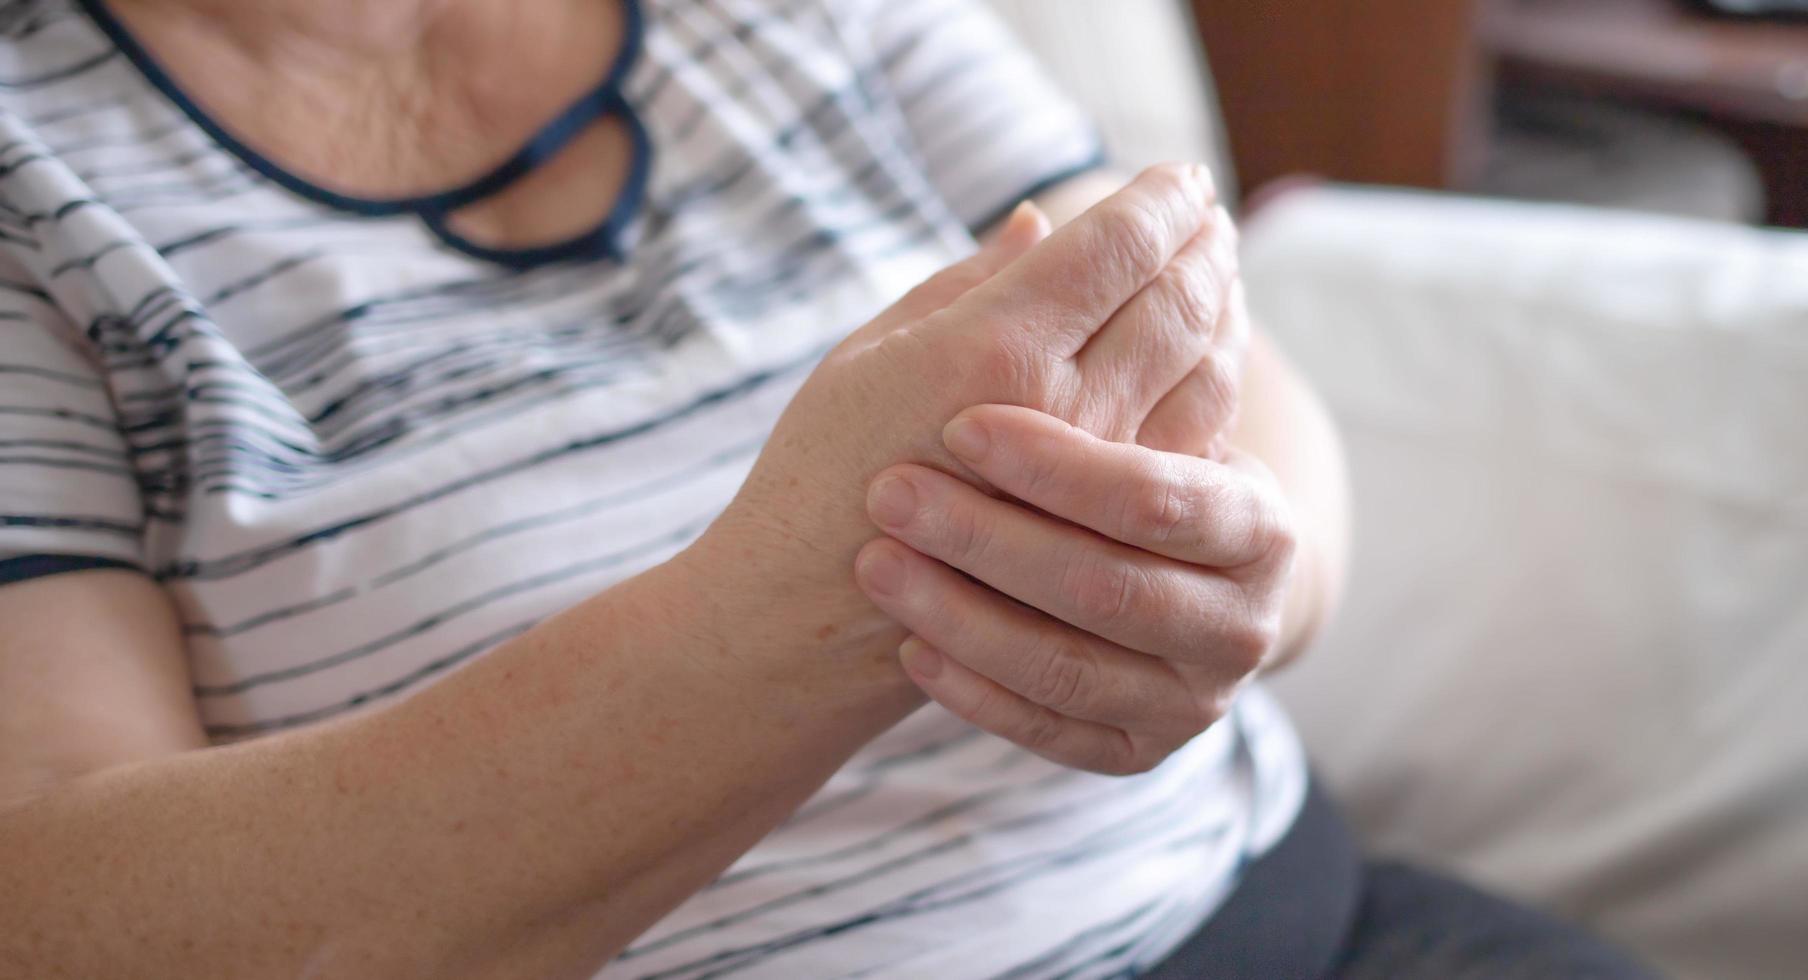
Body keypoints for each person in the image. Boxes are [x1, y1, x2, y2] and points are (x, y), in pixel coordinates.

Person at [0, 1, 1656, 977]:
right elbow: (63, 898)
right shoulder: (34, 179)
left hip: (1284, 921)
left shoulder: (822, 16)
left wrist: (1224, 575)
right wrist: (823, 597)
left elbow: (1253, 406)